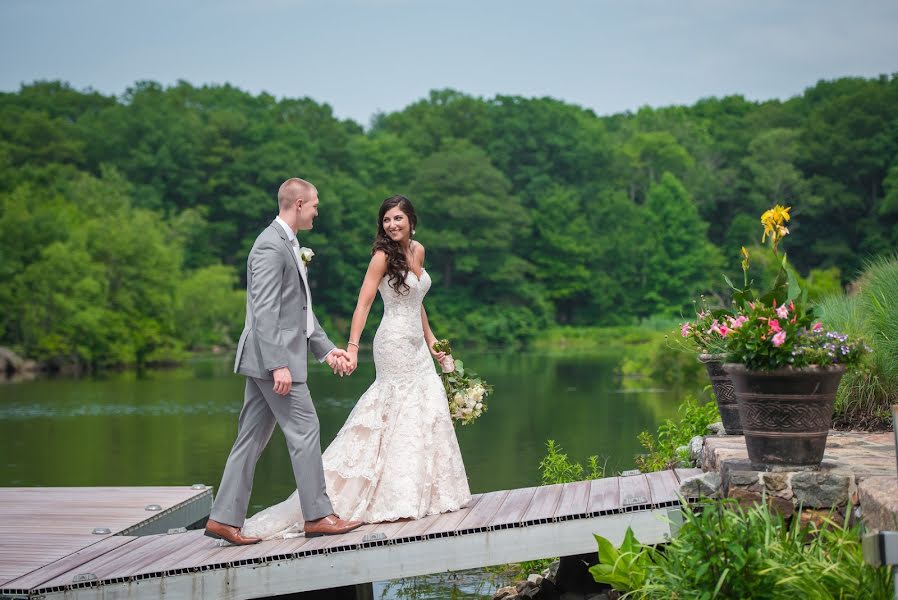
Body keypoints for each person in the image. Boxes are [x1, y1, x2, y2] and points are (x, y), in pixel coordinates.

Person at [242, 195, 471, 538]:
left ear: (411, 220)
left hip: (417, 345)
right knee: (394, 410)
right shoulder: (382, 257)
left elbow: (417, 302)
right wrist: (352, 347)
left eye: (398, 219)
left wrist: (434, 343)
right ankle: (364, 497)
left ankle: (430, 493)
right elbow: (363, 304)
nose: (392, 225)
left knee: (428, 407)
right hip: (392, 341)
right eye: (386, 220)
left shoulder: (418, 251)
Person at [204, 178, 362, 545]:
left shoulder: (288, 245)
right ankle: (319, 516)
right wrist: (278, 364)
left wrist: (327, 349)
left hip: (269, 358)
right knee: (305, 431)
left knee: (251, 438)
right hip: (271, 361)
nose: (318, 211)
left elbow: (299, 310)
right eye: (315, 205)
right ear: (299, 203)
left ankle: (223, 519)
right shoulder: (269, 246)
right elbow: (264, 312)